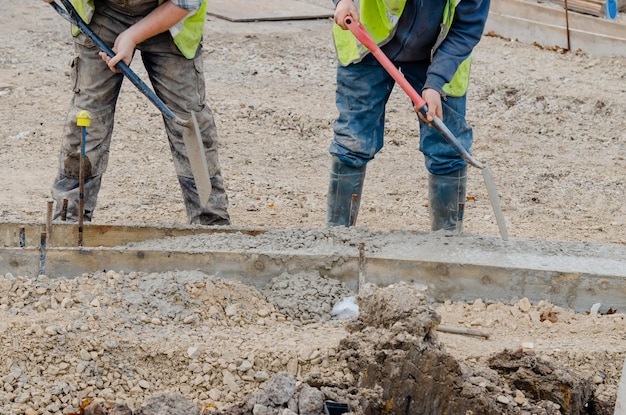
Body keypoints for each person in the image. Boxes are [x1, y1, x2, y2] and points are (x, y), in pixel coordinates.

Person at [41, 0, 230, 225]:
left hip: (170, 19)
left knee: (188, 120)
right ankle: (69, 218)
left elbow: (185, 2)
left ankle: (211, 222)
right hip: (105, 13)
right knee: (87, 119)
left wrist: (131, 36)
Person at [327, 0, 490, 232]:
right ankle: (335, 239)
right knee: (353, 138)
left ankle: (447, 245)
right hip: (367, 38)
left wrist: (435, 82)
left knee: (446, 147)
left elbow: (467, 28)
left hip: (438, 51)